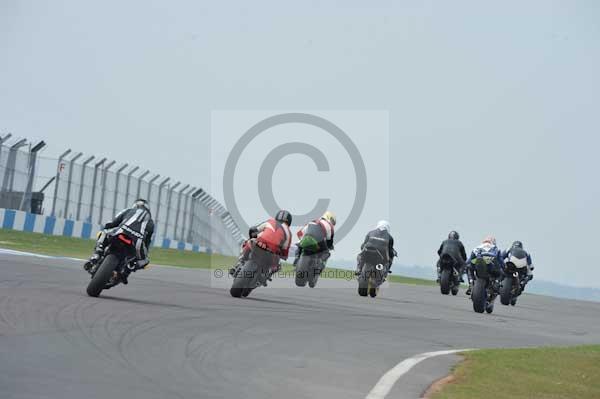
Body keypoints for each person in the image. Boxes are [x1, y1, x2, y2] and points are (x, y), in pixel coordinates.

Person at [84, 199, 154, 284]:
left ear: (135, 205)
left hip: (120, 232)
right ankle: (125, 272)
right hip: (136, 242)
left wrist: (107, 227)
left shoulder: (129, 210)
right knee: (144, 261)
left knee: (103, 233)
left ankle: (96, 255)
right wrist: (143, 255)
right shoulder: (151, 222)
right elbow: (147, 242)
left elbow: (113, 222)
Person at [230, 210, 293, 284]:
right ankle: (265, 276)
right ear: (289, 221)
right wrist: (283, 256)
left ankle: (239, 264)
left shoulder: (270, 221)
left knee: (248, 242)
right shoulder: (288, 232)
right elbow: (285, 249)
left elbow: (254, 229)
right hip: (272, 251)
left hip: (259, 243)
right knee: (277, 266)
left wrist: (253, 236)